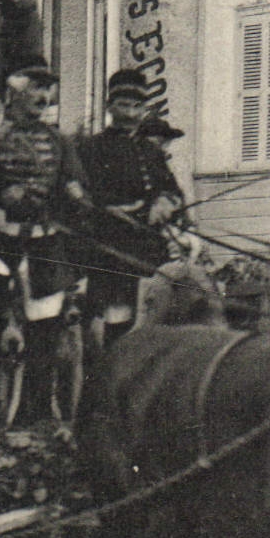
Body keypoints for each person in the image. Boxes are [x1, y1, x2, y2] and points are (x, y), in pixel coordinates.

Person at [0, 57, 89, 424]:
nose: (43, 96)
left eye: (47, 89)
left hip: (44, 247)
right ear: (15, 91)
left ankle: (36, 414)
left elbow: (74, 185)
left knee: (45, 335)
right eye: (35, 88)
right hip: (1, 244)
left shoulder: (59, 141)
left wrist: (75, 195)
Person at [75, 69, 185, 346]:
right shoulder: (92, 148)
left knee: (153, 319)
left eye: (138, 106)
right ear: (110, 106)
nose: (132, 113)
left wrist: (164, 202)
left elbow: (173, 190)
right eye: (125, 105)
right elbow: (90, 198)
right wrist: (135, 211)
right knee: (117, 324)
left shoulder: (151, 151)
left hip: (149, 252)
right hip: (111, 250)